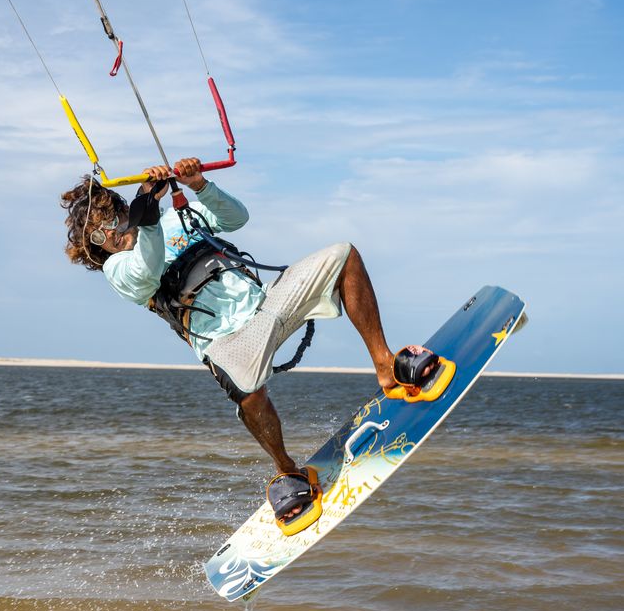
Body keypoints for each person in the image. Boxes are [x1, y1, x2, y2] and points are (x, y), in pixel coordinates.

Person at [61, 159, 439, 533]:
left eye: (112, 221)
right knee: (246, 389)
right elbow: (148, 267)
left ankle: (385, 366)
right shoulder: (118, 269)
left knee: (344, 255)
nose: (111, 235)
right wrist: (150, 213)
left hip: (267, 303)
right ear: (97, 251)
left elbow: (236, 219)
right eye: (99, 238)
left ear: (124, 211)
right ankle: (287, 471)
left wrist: (199, 186)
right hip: (227, 340)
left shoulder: (175, 217)